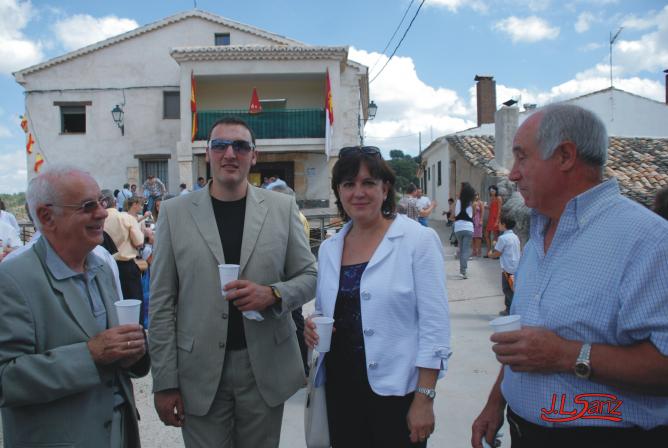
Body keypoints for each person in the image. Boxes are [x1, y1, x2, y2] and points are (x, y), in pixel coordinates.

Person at [471, 104, 668, 448]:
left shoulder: (649, 241)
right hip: (522, 431)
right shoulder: (537, 236)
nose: (513, 174)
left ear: (565, 156)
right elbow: (527, 343)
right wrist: (496, 401)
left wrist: (566, 355)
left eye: (522, 157)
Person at [149, 117, 317, 448]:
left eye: (240, 146)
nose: (229, 153)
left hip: (264, 367)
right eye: (220, 145)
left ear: (253, 156)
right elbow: (162, 303)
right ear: (207, 154)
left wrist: (273, 294)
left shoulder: (282, 208)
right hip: (198, 370)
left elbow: (310, 276)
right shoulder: (174, 213)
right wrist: (165, 381)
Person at [304, 145, 451, 447]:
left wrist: (424, 398)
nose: (358, 192)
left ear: (385, 189)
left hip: (397, 393)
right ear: (339, 192)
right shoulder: (330, 248)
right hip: (341, 391)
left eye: (368, 183)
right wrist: (313, 326)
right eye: (348, 184)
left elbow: (435, 327)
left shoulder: (417, 240)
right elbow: (324, 310)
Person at [0, 165, 149, 447]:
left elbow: (114, 354)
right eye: (88, 206)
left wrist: (133, 353)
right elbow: (5, 379)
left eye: (101, 202)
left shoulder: (101, 267)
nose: (102, 213)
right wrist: (90, 355)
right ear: (47, 216)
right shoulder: (12, 279)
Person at [102, 191, 146, 324]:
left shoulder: (99, 220)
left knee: (112, 303)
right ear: (115, 202)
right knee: (134, 302)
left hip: (105, 266)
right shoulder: (126, 218)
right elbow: (139, 242)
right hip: (126, 265)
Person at [486, 214, 520, 316]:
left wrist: (490, 254)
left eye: (499, 223)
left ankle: (515, 308)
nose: (498, 224)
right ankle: (508, 309)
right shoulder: (515, 237)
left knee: (507, 289)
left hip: (507, 267)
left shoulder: (502, 238)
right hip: (516, 265)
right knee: (511, 287)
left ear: (504, 224)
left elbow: (497, 253)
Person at [454, 182, 475, 279]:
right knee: (465, 250)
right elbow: (472, 215)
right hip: (468, 228)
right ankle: (463, 271)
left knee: (461, 249)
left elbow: (455, 214)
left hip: (458, 228)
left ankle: (462, 270)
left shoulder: (458, 201)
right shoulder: (471, 203)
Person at [484, 185, 502, 256]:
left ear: (496, 191)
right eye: (490, 191)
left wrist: (497, 221)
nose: (491, 192)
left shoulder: (498, 198)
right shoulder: (491, 198)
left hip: (495, 218)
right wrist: (486, 206)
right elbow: (491, 207)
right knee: (486, 234)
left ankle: (495, 253)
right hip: (490, 218)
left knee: (495, 236)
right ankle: (489, 251)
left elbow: (499, 209)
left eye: (493, 191)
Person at [472, 192, 484, 257]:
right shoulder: (472, 203)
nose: (475, 196)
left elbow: (482, 212)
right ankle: (474, 251)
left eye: (476, 195)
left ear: (478, 195)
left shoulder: (480, 203)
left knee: (478, 237)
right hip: (472, 220)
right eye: (474, 195)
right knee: (473, 237)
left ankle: (479, 251)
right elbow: (472, 213)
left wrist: (481, 220)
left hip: (478, 220)